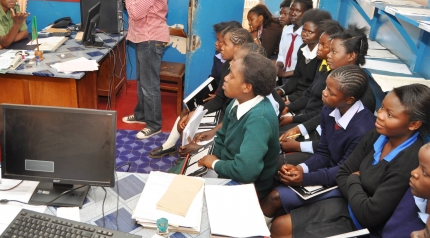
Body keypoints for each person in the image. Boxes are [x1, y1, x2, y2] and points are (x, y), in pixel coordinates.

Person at [271, 84, 430, 238]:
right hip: (348, 201)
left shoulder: (408, 161)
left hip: (361, 223)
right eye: (382, 108)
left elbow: (369, 215)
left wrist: (354, 179)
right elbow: (343, 172)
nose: (380, 115)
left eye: (390, 115)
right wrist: (355, 182)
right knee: (279, 225)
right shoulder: (377, 134)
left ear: (414, 124)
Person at [261, 65, 376, 219]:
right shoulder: (329, 109)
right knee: (278, 178)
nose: (324, 93)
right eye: (326, 87)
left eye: (331, 92)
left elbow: (343, 170)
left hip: (343, 182)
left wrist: (305, 178)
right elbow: (324, 152)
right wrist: (302, 169)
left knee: (274, 198)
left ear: (349, 99)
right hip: (329, 170)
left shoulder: (363, 130)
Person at [148, 27, 252, 158]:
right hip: (224, 114)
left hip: (226, 119)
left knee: (195, 127)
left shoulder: (246, 75)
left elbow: (233, 114)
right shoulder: (227, 66)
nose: (220, 46)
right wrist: (195, 111)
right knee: (186, 114)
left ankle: (189, 155)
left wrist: (209, 125)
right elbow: (219, 99)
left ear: (238, 47)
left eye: (225, 44)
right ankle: (174, 147)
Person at [197, 52, 280, 200]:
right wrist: (216, 159)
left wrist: (215, 164)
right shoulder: (237, 101)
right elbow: (222, 135)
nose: (226, 78)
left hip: (248, 186)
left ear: (247, 87)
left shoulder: (259, 119)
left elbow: (247, 172)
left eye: (232, 76)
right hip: (228, 170)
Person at [116, 0, 170, 139]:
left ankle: (154, 124)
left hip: (149, 37)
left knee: (149, 84)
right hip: (145, 37)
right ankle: (141, 114)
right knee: (142, 81)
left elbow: (137, 11)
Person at [279, 24, 375, 132]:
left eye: (334, 52)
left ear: (351, 56)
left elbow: (328, 119)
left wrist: (298, 128)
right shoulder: (332, 73)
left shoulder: (359, 93)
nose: (328, 55)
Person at [276, 9, 332, 102]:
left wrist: (288, 98)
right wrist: (281, 91)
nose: (305, 34)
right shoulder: (302, 48)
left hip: (307, 98)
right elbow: (296, 77)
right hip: (296, 93)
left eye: (310, 32)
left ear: (320, 34)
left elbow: (312, 89)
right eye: (304, 30)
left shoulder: (321, 56)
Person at [276, 0, 313, 81]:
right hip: (284, 76)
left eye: (297, 11)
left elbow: (306, 67)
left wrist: (284, 74)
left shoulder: (308, 35)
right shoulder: (286, 30)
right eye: (291, 10)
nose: (293, 14)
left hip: (299, 79)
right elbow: (282, 56)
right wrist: (277, 67)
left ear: (307, 12)